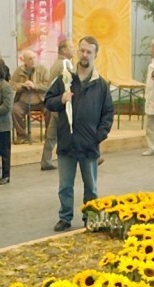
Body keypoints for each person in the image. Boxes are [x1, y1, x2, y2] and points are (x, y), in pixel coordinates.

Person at [45, 36, 113, 232]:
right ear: (78, 52)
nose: (84, 55)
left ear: (95, 55)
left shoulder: (101, 85)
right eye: (82, 50)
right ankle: (65, 217)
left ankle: (90, 216)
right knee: (65, 185)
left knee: (91, 186)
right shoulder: (65, 79)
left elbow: (108, 113)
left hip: (89, 144)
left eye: (89, 52)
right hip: (67, 142)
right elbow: (48, 101)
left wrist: (98, 135)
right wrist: (61, 99)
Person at [40, 39, 74, 169]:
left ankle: (46, 160)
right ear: (64, 50)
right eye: (71, 47)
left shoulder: (56, 63)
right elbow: (69, 82)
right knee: (67, 132)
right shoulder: (66, 64)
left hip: (53, 103)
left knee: (51, 135)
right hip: (62, 104)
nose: (74, 49)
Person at [10, 49, 48, 144]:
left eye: (34, 58)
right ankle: (22, 135)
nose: (33, 60)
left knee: (51, 110)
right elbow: (12, 84)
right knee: (14, 110)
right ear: (24, 61)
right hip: (24, 101)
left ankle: (49, 134)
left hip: (41, 100)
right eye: (30, 59)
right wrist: (22, 85)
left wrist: (35, 86)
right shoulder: (19, 71)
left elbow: (48, 85)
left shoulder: (43, 69)